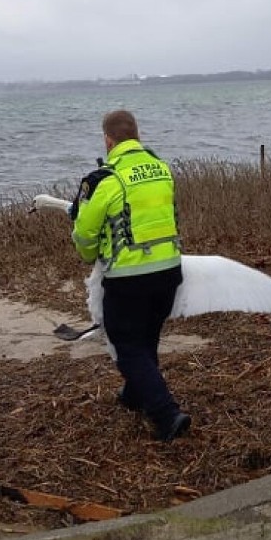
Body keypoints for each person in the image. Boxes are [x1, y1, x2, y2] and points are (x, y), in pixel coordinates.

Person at [70, 109, 190, 442]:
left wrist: (88, 255)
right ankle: (135, 394)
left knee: (127, 346)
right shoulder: (162, 170)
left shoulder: (106, 181)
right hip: (168, 272)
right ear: (136, 134)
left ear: (108, 140)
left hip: (128, 279)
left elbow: (85, 235)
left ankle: (166, 415)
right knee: (146, 337)